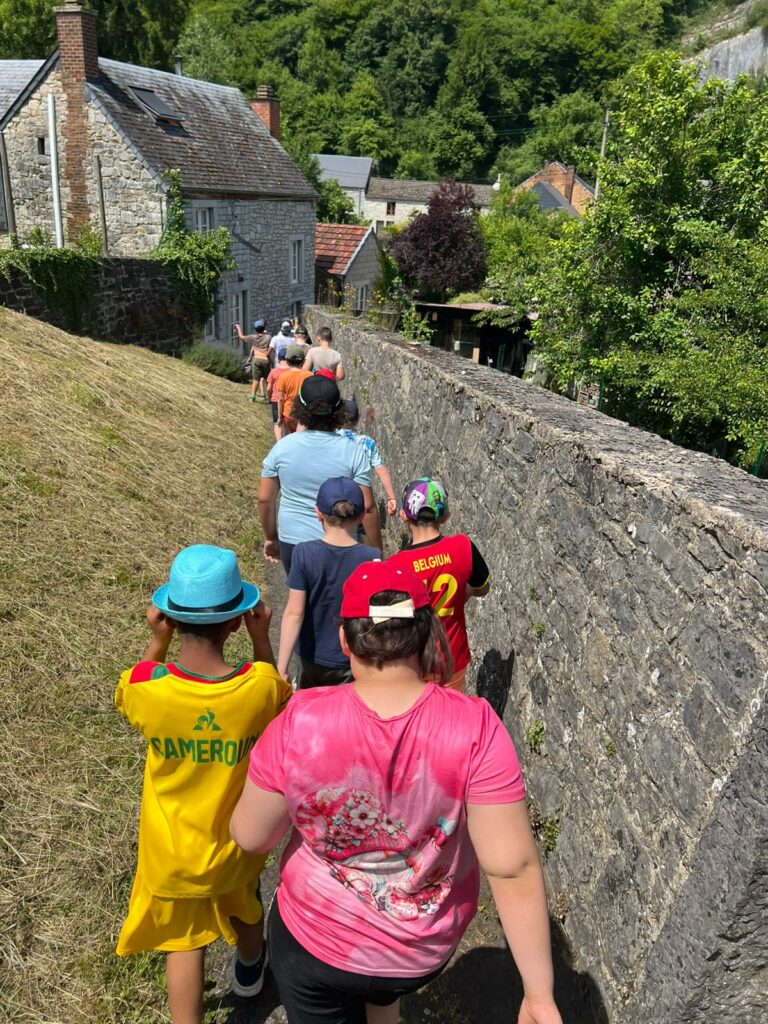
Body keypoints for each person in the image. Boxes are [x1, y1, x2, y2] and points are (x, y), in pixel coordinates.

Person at [230, 561, 562, 1024]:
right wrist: (538, 994)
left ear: (345, 640)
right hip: (417, 949)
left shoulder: (298, 721)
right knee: (383, 995)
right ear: (427, 635)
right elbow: (512, 867)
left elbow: (251, 836)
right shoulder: (476, 728)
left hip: (315, 937)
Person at [114, 545, 291, 1024]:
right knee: (245, 909)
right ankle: (250, 969)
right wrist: (261, 638)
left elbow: (130, 687)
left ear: (170, 618)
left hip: (171, 852)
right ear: (236, 622)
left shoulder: (150, 689)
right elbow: (277, 693)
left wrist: (157, 641)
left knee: (184, 944)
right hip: (233, 847)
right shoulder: (256, 687)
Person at [259, 375, 382, 574]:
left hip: (293, 539)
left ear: (300, 408)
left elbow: (265, 500)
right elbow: (367, 509)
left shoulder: (281, 448)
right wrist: (377, 554)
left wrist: (271, 538)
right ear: (339, 410)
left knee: (299, 591)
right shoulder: (353, 451)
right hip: (340, 540)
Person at [387, 477, 490, 693]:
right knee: (450, 709)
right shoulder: (463, 546)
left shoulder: (395, 566)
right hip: (454, 659)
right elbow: (482, 587)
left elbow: (391, 620)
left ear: (404, 516)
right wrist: (461, 595)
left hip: (414, 664)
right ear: (445, 517)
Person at [277, 477, 381, 688]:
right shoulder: (372, 558)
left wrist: (282, 667)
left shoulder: (303, 553)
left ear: (318, 513)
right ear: (361, 516)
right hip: (353, 656)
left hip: (311, 656)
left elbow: (294, 614)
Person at [337, 399, 397, 517]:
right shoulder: (366, 442)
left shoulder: (330, 438)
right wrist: (391, 497)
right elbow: (381, 470)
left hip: (336, 496)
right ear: (357, 420)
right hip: (361, 499)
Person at [275, 345, 311, 435]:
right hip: (304, 414)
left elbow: (280, 399)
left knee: (288, 438)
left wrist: (279, 417)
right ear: (303, 361)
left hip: (288, 413)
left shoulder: (283, 377)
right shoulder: (310, 375)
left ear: (287, 361)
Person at [235, 320, 271, 402]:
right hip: (266, 359)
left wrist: (238, 328)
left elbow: (241, 337)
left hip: (256, 359)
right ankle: (269, 398)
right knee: (268, 380)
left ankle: (252, 397)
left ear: (255, 329)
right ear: (264, 328)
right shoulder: (268, 337)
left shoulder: (253, 337)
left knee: (256, 379)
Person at [267, 346, 290, 442]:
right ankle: (288, 443)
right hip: (288, 400)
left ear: (278, 359)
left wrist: (269, 397)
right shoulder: (291, 371)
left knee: (277, 423)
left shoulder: (273, 372)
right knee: (288, 424)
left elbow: (269, 388)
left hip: (276, 400)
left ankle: (279, 443)